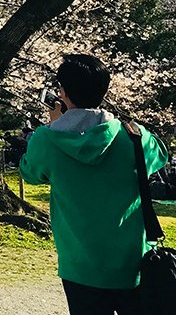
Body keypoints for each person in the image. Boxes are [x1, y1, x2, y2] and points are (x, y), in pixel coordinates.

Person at [20, 54, 169, 315]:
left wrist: (57, 124)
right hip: (133, 261)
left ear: (63, 93)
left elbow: (29, 173)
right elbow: (160, 154)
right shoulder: (133, 137)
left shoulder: (47, 140)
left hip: (80, 263)